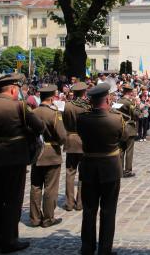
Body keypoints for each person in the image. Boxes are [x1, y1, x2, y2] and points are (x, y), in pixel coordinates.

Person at [0, 74, 44, 253]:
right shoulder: (19, 106)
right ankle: (10, 240)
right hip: (14, 159)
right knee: (13, 200)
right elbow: (39, 127)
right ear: (13, 89)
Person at [78, 83, 128, 255]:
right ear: (107, 99)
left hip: (89, 167)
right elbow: (125, 139)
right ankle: (105, 249)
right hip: (110, 168)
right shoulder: (116, 119)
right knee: (108, 211)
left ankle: (87, 247)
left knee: (89, 210)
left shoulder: (82, 118)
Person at [30, 85, 67, 228]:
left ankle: (34, 218)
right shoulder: (54, 113)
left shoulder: (33, 112)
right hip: (51, 152)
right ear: (52, 97)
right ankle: (48, 218)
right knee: (51, 187)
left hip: (36, 153)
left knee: (35, 186)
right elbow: (62, 136)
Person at [63, 82, 91, 212]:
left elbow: (64, 123)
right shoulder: (87, 107)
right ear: (84, 92)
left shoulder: (68, 106)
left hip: (71, 139)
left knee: (70, 172)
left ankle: (69, 203)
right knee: (83, 173)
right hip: (84, 140)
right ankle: (80, 202)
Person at [117, 84, 140, 178]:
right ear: (130, 92)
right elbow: (136, 115)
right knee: (129, 151)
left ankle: (119, 169)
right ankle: (127, 171)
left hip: (120, 127)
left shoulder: (118, 101)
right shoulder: (129, 103)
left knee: (120, 150)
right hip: (129, 128)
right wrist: (137, 106)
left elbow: (113, 111)